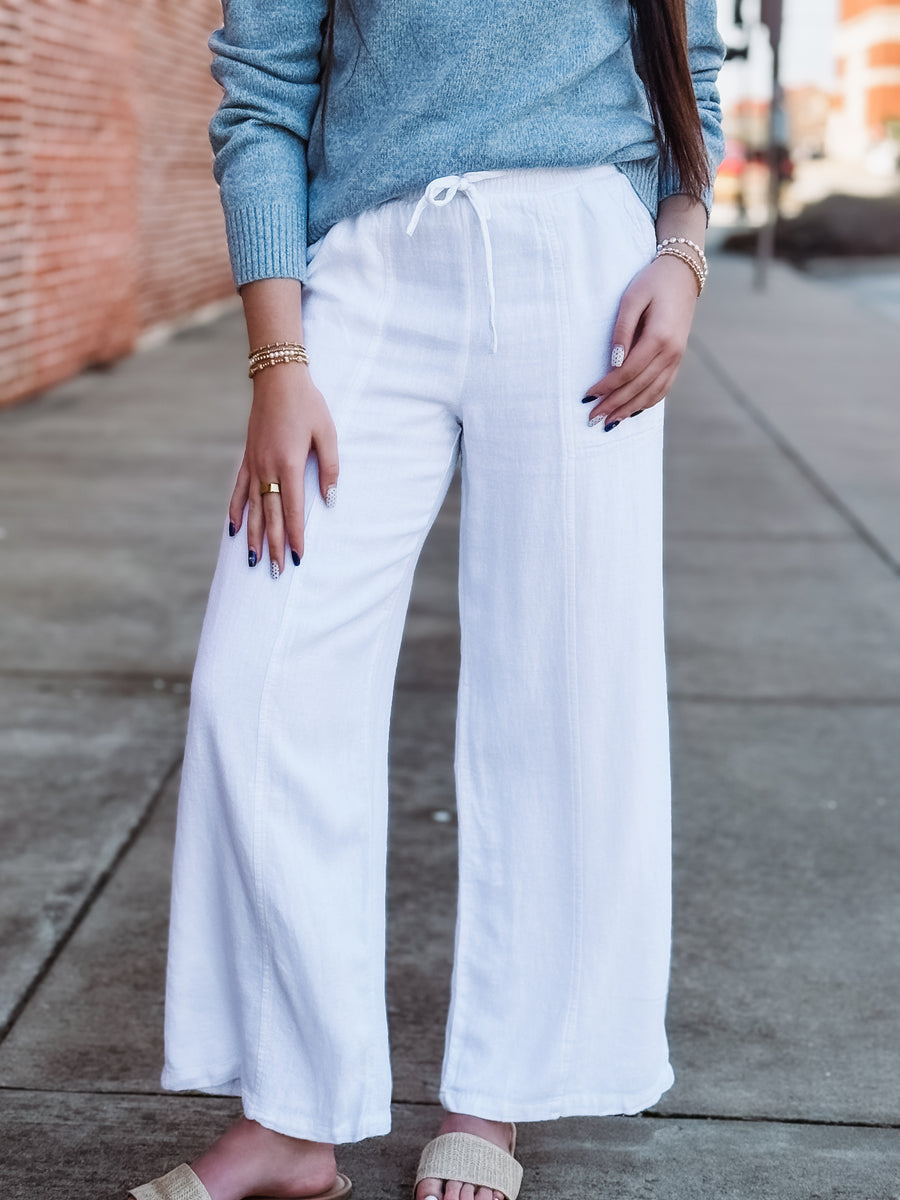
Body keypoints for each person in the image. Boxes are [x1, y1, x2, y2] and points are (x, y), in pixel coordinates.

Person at [127, 2, 726, 1199]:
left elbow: (686, 69)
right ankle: (294, 1117)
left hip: (583, 269)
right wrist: (276, 360)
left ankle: (496, 1094)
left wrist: (684, 249)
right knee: (260, 682)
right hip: (366, 275)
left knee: (556, 698)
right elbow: (261, 96)